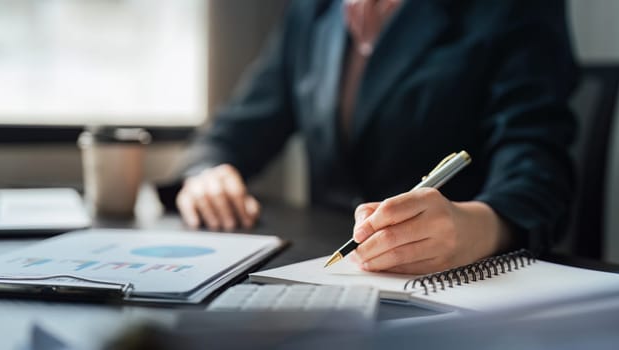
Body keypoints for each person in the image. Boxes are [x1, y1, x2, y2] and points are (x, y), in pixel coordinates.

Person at [165, 0, 578, 275]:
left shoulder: (509, 8)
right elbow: (237, 128)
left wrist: (477, 227)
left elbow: (537, 160)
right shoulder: (312, 12)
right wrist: (207, 171)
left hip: (455, 287)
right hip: (327, 274)